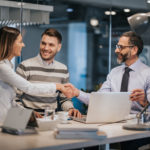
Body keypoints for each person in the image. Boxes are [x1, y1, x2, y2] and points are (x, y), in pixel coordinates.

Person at [66, 31, 150, 149]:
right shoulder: (114, 73)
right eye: (117, 46)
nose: (116, 50)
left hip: (137, 129)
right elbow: (98, 99)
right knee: (90, 140)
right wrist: (77, 93)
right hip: (114, 124)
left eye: (121, 47)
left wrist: (145, 102)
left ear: (134, 50)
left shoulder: (148, 74)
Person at [0, 26, 73, 123]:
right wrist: (58, 86)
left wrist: (27, 113)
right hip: (10, 121)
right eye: (20, 41)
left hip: (42, 120)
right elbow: (29, 88)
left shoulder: (8, 65)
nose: (23, 45)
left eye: (51, 45)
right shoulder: (5, 67)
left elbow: (10, 101)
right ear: (10, 44)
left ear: (59, 47)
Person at [16, 28, 81, 117]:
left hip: (52, 120)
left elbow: (64, 99)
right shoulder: (25, 66)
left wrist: (71, 109)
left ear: (59, 47)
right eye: (43, 43)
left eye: (51, 45)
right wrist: (27, 115)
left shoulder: (63, 69)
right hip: (28, 120)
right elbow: (14, 98)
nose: (46, 48)